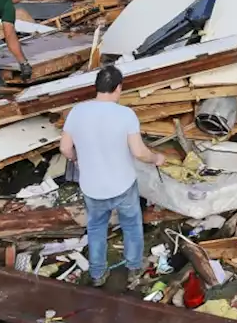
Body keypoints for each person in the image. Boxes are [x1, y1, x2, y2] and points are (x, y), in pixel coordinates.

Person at [60, 65, 166, 288]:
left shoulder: (77, 112)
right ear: (118, 88)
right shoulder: (125, 115)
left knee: (97, 228)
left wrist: (76, 160)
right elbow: (138, 152)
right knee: (131, 226)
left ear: (96, 87)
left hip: (91, 188)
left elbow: (65, 148)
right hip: (123, 186)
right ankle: (134, 268)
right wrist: (156, 158)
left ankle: (98, 274)